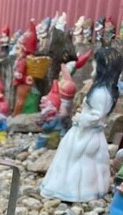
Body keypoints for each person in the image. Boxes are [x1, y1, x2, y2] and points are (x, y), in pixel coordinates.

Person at [40, 47, 123, 203]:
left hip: (87, 134)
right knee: (80, 161)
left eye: (95, 64)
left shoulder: (101, 93)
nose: (92, 67)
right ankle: (79, 189)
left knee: (78, 162)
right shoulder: (104, 90)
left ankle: (73, 191)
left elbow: (95, 116)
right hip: (87, 133)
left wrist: (80, 118)